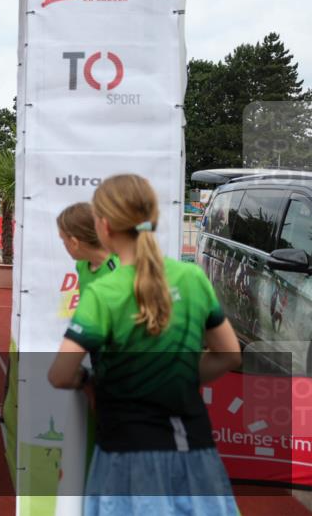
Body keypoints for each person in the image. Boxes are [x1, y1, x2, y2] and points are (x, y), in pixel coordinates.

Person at [47, 174, 241, 515]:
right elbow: (229, 355)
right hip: (193, 452)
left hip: (124, 455)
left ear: (104, 226)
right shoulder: (192, 278)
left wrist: (89, 383)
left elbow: (60, 374)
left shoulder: (103, 293)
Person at [56, 202, 119, 291]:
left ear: (74, 243)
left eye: (63, 240)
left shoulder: (118, 268)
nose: (63, 245)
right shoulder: (82, 264)